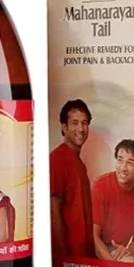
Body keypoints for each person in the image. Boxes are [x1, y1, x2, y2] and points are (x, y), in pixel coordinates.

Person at [92, 140, 134, 263]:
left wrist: (126, 252)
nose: (123, 168)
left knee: (133, 265)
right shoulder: (101, 186)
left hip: (117, 251)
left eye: (130, 163)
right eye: (120, 160)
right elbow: (93, 236)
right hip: (93, 247)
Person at [50, 99, 95, 257]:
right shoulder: (57, 159)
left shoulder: (78, 163)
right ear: (64, 127)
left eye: (84, 123)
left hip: (84, 256)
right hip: (70, 257)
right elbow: (53, 211)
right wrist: (64, 258)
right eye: (75, 123)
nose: (81, 129)